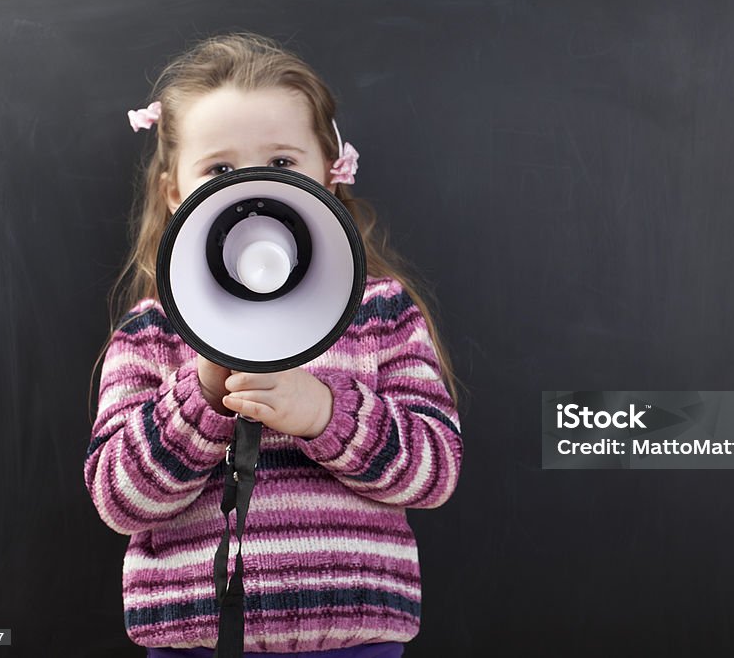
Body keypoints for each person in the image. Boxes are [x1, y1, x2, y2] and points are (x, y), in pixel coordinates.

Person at [85, 32, 463, 657]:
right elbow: (121, 500)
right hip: (193, 645)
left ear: (330, 175)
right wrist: (203, 395)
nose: (252, 186)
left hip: (354, 642)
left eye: (283, 164)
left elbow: (435, 471)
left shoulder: (380, 313)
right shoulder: (152, 334)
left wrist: (325, 413)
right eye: (220, 170)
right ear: (175, 194)